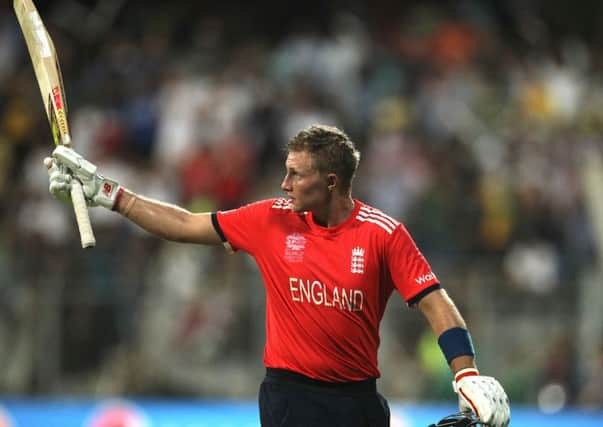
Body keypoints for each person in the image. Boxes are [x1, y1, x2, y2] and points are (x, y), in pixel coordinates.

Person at [45, 124, 510, 427]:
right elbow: (186, 224)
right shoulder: (270, 218)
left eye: (295, 175)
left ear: (330, 182)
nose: (284, 185)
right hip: (289, 398)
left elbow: (436, 302)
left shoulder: (384, 234)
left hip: (358, 401)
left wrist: (465, 374)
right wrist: (109, 194)